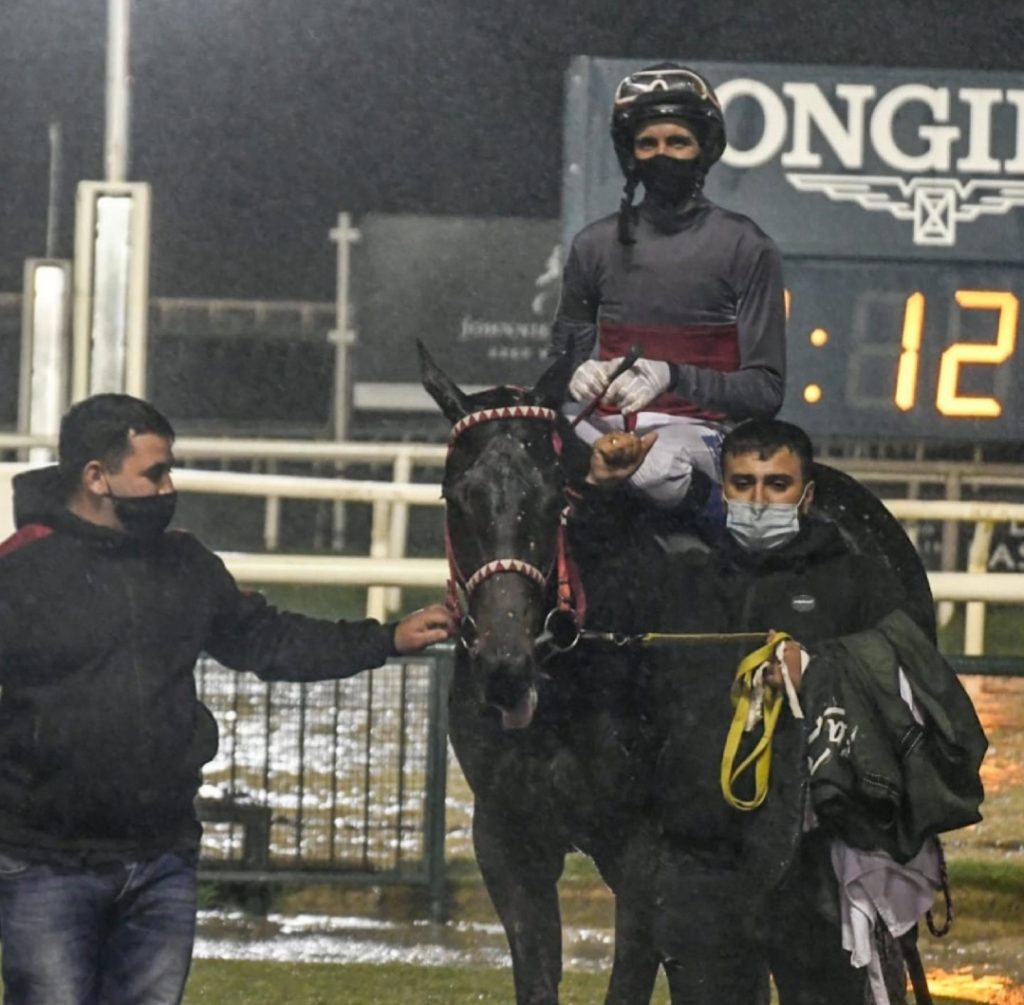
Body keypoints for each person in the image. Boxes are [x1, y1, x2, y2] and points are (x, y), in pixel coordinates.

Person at [0, 393, 455, 1005]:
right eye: (154, 472)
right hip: (44, 865)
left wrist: (386, 639)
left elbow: (268, 641)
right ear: (96, 476)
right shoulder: (20, 570)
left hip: (161, 857)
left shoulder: (184, 563)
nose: (168, 487)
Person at [572, 418, 986, 1005]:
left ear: (807, 495)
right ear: (724, 490)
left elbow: (917, 679)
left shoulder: (856, 579)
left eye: (777, 484)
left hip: (818, 866)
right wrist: (603, 491)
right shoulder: (682, 579)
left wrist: (822, 671)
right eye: (743, 484)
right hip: (700, 865)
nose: (759, 499)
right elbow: (604, 588)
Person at [551, 62, 786, 510]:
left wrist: (672, 377)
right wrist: (572, 373)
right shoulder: (593, 245)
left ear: (703, 149)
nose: (662, 154)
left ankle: (732, 541)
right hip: (600, 425)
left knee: (656, 470)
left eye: (677, 141)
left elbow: (765, 390)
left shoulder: (748, 246)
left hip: (701, 434)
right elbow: (559, 364)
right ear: (630, 153)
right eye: (648, 143)